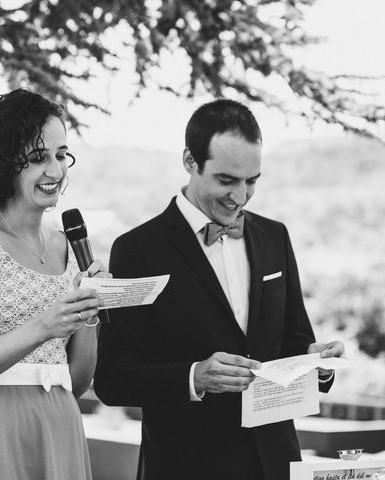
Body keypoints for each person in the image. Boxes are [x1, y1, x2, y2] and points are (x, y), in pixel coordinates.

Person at [94, 99, 345, 480]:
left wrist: (318, 364)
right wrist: (195, 376)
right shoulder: (138, 249)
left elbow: (294, 342)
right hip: (186, 465)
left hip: (274, 463)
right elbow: (113, 379)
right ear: (190, 162)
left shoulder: (275, 237)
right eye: (226, 180)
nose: (240, 196)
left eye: (252, 181)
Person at [0, 88, 108, 480]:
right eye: (38, 158)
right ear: (5, 162)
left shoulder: (67, 246)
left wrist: (89, 314)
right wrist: (45, 326)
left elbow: (75, 383)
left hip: (59, 428)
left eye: (61, 155)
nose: (56, 171)